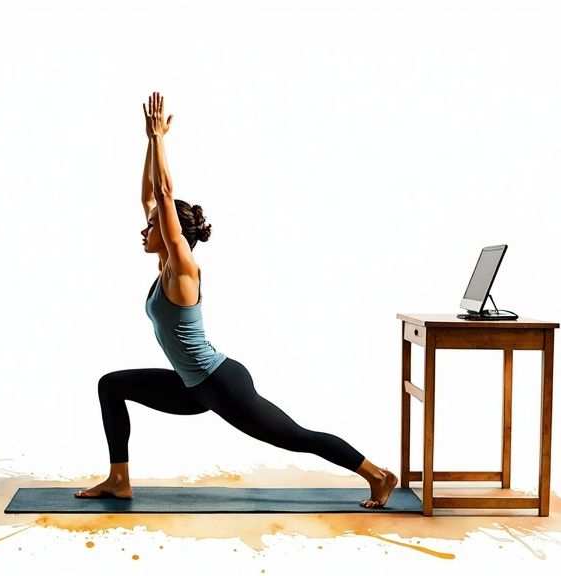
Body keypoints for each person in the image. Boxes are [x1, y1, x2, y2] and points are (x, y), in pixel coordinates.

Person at [75, 92, 398, 508]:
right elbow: (151, 199)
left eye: (152, 226)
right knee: (112, 386)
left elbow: (164, 196)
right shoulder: (163, 266)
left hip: (221, 385)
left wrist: (160, 140)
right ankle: (119, 479)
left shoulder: (182, 270)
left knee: (296, 437)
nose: (144, 228)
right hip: (192, 388)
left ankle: (376, 473)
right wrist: (146, 142)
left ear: (173, 236)